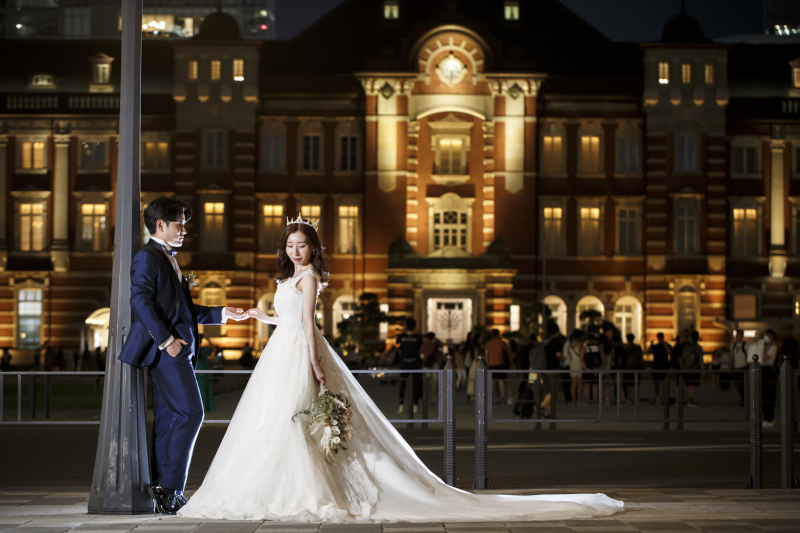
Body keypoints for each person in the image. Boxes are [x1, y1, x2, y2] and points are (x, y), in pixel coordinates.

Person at [178, 215, 623, 522]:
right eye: (291, 246)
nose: (297, 251)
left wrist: (314, 362)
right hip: (282, 348)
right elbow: (291, 319)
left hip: (299, 351)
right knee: (278, 422)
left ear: (313, 248)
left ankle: (303, 488)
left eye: (303, 245)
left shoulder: (310, 277)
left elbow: (310, 324)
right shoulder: (288, 279)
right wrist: (258, 317)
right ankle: (280, 485)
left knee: (298, 420)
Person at [117, 197, 248, 514]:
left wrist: (222, 313)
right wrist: (165, 341)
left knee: (168, 420)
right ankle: (170, 488)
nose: (185, 230)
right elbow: (140, 301)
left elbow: (183, 311)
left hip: (179, 351)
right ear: (160, 225)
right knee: (192, 413)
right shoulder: (147, 258)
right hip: (168, 353)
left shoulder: (168, 259)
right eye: (179, 223)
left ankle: (161, 490)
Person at [395, 318, 423, 414]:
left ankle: (401, 406)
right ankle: (415, 405)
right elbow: (420, 346)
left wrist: (403, 331)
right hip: (415, 363)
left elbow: (397, 342)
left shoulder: (401, 336)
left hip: (404, 363)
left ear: (406, 326)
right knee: (416, 384)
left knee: (403, 384)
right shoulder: (417, 337)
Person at [755, 329, 779, 427]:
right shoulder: (763, 346)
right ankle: (766, 417)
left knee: (769, 395)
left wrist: (760, 349)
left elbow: (766, 357)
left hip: (769, 371)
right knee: (763, 395)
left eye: (767, 335)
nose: (765, 337)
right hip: (762, 370)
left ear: (772, 336)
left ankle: (769, 418)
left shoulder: (773, 347)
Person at [485, 328, 510, 405]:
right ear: (498, 334)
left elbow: (486, 355)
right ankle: (502, 398)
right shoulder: (501, 343)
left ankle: (489, 399)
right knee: (501, 382)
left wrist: (487, 364)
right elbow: (506, 353)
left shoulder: (488, 344)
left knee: (492, 382)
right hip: (500, 364)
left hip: (491, 364)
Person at [647, 332, 671, 403]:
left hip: (664, 366)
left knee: (665, 382)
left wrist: (664, 344)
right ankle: (657, 397)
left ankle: (664, 396)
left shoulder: (667, 345)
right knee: (656, 383)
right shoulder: (655, 346)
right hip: (656, 366)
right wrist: (651, 345)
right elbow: (648, 352)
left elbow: (669, 352)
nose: (659, 339)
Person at [683, 331, 704, 406]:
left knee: (689, 384)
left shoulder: (687, 346)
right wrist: (703, 370)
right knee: (692, 384)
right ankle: (691, 399)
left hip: (687, 368)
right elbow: (701, 360)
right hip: (695, 369)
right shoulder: (698, 347)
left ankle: (690, 398)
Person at [196, 335, 216, 413]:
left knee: (196, 394)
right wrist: (208, 339)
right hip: (203, 375)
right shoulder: (204, 349)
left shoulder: (193, 349)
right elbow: (214, 349)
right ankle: (203, 410)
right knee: (204, 394)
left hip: (195, 375)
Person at [563, 330, 584, 404]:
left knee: (573, 384)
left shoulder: (571, 344)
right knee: (579, 383)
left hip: (572, 364)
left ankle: (573, 400)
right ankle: (579, 399)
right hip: (579, 364)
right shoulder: (580, 344)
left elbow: (570, 355)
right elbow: (582, 356)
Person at [730, 330, 749, 407]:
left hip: (743, 366)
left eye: (739, 335)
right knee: (737, 384)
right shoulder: (733, 345)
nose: (738, 337)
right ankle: (743, 396)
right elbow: (731, 356)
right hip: (736, 367)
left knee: (743, 384)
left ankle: (743, 399)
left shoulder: (746, 345)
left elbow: (749, 356)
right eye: (737, 335)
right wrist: (730, 366)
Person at [624, 333, 643, 401]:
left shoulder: (626, 348)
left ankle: (628, 398)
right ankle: (636, 398)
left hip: (628, 368)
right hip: (636, 368)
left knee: (628, 384)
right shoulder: (638, 347)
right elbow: (640, 357)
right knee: (636, 384)